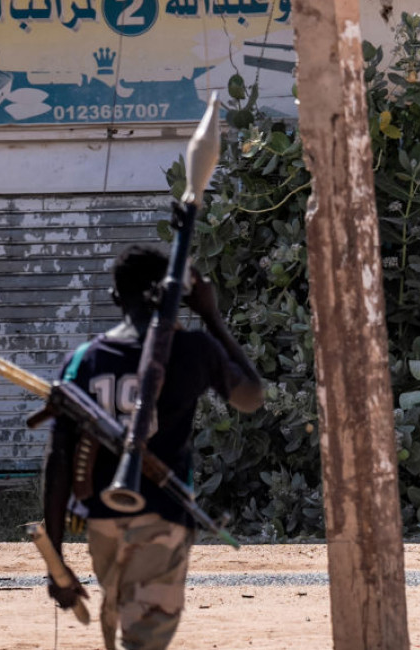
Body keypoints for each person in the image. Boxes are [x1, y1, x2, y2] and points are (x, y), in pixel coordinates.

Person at [42, 239, 264, 649]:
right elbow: (251, 395)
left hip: (102, 525)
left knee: (128, 630)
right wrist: (211, 315)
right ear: (176, 294)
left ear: (114, 296)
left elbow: (58, 462)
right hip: (163, 520)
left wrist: (56, 563)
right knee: (143, 642)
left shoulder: (83, 361)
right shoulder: (195, 350)